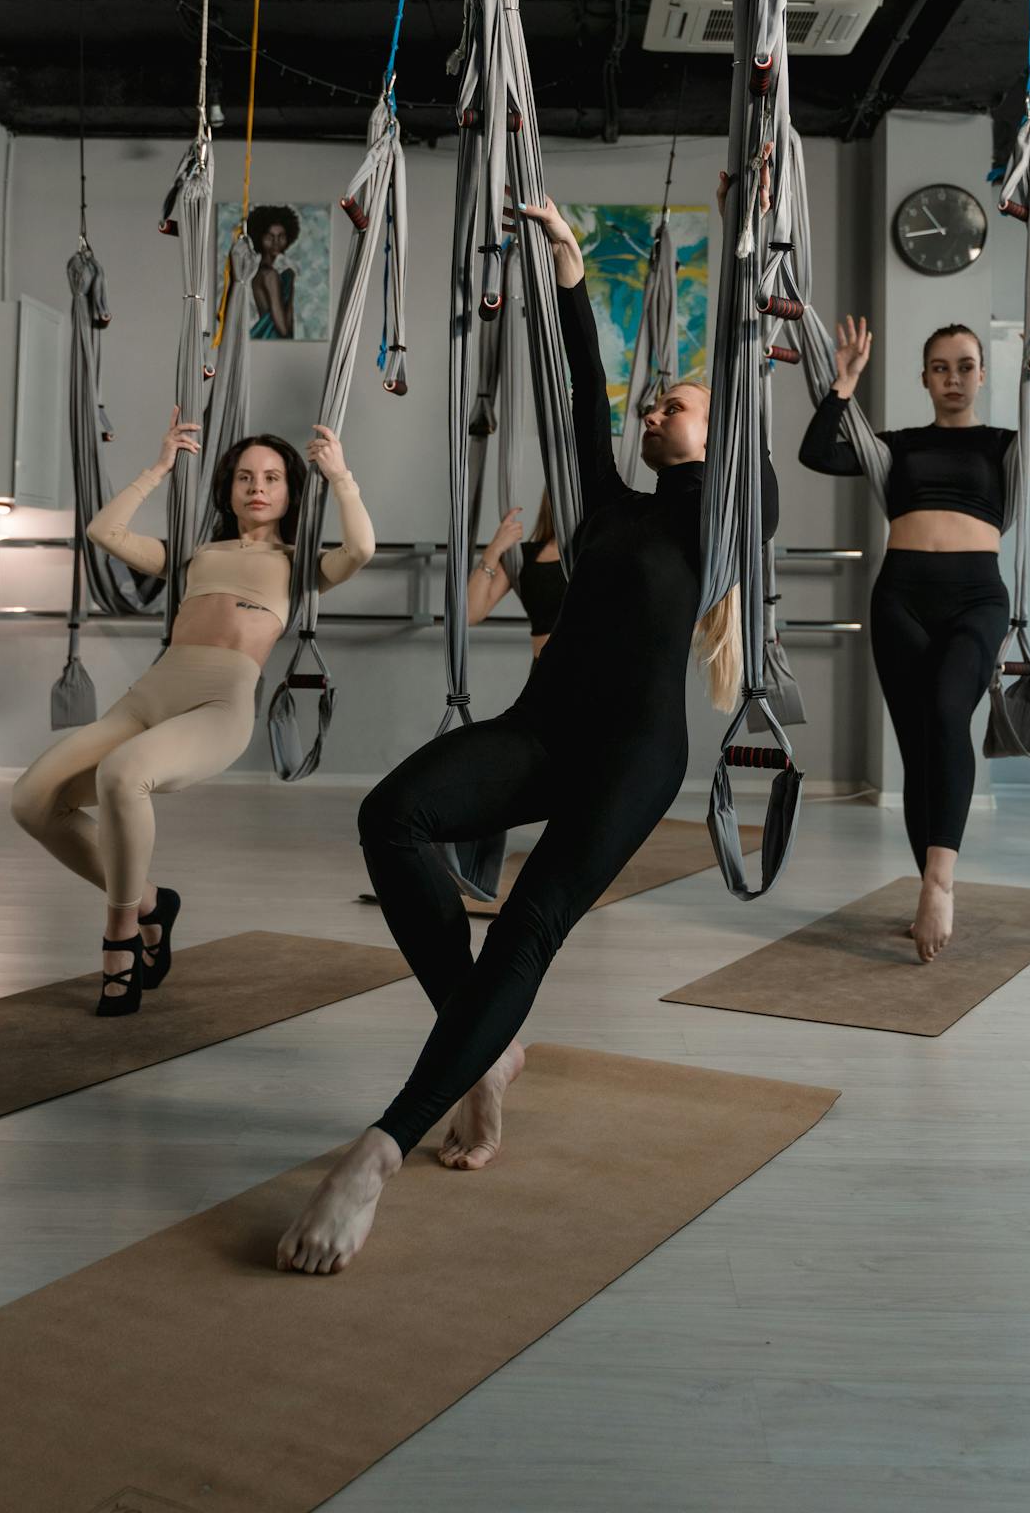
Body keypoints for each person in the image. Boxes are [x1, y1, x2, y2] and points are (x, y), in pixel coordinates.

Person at [277, 168, 777, 1277]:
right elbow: (579, 392)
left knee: (526, 929)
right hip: (544, 725)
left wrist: (750, 237)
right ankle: (483, 1051)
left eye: (675, 404)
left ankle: (379, 1149)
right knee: (392, 815)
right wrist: (564, 266)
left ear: (719, 427)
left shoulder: (725, 511)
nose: (654, 413)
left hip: (634, 758)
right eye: (652, 406)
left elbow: (739, 397)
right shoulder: (602, 503)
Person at [12, 416, 374, 1013]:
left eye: (273, 478)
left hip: (218, 702)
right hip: (150, 694)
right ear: (227, 489)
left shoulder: (298, 561)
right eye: (244, 477)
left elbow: (360, 548)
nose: (257, 487)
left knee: (124, 775)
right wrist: (158, 469)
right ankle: (153, 903)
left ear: (289, 493)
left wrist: (340, 477)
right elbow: (105, 530)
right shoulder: (194, 551)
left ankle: (121, 937)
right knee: (31, 801)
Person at [799, 317, 1030, 962]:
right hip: (900, 597)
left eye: (965, 365)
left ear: (983, 373)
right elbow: (818, 454)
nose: (953, 378)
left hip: (977, 599)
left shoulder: (1003, 445)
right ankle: (923, 887)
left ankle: (939, 882)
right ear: (924, 377)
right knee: (918, 749)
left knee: (945, 713)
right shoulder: (897, 445)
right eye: (940, 367)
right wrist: (842, 385)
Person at [466, 487, 567, 662]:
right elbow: (470, 614)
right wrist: (494, 549)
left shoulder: (603, 553)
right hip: (547, 678)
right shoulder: (525, 558)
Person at [247, 204, 300, 340]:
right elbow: (283, 329)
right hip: (273, 338)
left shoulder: (261, 273)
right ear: (260, 238)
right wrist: (291, 287)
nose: (276, 242)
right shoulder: (270, 275)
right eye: (270, 237)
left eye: (281, 236)